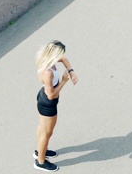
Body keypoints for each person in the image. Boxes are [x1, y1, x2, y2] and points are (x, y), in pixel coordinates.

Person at [34, 40, 78, 172]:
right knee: (47, 133)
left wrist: (71, 71)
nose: (61, 57)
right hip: (48, 103)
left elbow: (64, 59)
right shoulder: (48, 73)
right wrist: (64, 81)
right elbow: (51, 94)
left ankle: (40, 151)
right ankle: (40, 162)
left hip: (43, 99)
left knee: (42, 128)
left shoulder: (47, 60)